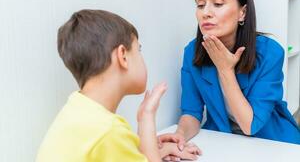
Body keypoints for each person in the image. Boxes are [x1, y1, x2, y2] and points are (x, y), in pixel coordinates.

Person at [159, 0, 300, 158]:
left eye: (218, 4)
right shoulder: (192, 52)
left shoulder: (270, 52)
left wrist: (225, 69)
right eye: (200, 5)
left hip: (271, 141)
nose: (206, 13)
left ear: (242, 12)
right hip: (223, 139)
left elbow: (250, 125)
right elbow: (191, 113)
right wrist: (179, 137)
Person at [36, 9, 200, 162]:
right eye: (138, 50)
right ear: (123, 56)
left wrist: (153, 147)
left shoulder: (78, 109)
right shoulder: (109, 131)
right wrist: (146, 118)